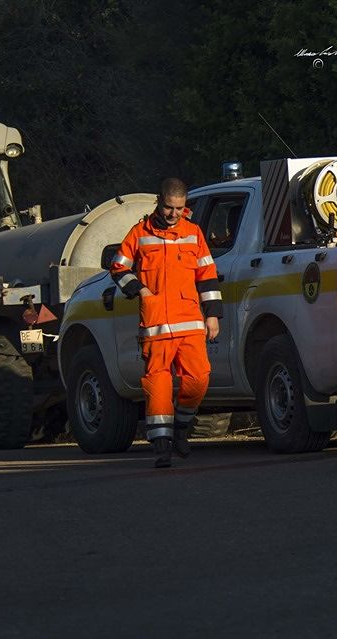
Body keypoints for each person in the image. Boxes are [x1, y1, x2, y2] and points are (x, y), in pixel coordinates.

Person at [110, 178, 222, 468]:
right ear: (159, 202)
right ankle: (161, 446)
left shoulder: (194, 234)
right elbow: (118, 266)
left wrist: (212, 314)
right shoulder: (139, 233)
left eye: (179, 208)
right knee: (158, 383)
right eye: (169, 208)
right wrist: (141, 290)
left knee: (199, 380)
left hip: (190, 322)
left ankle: (181, 428)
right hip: (156, 322)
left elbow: (207, 276)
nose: (174, 214)